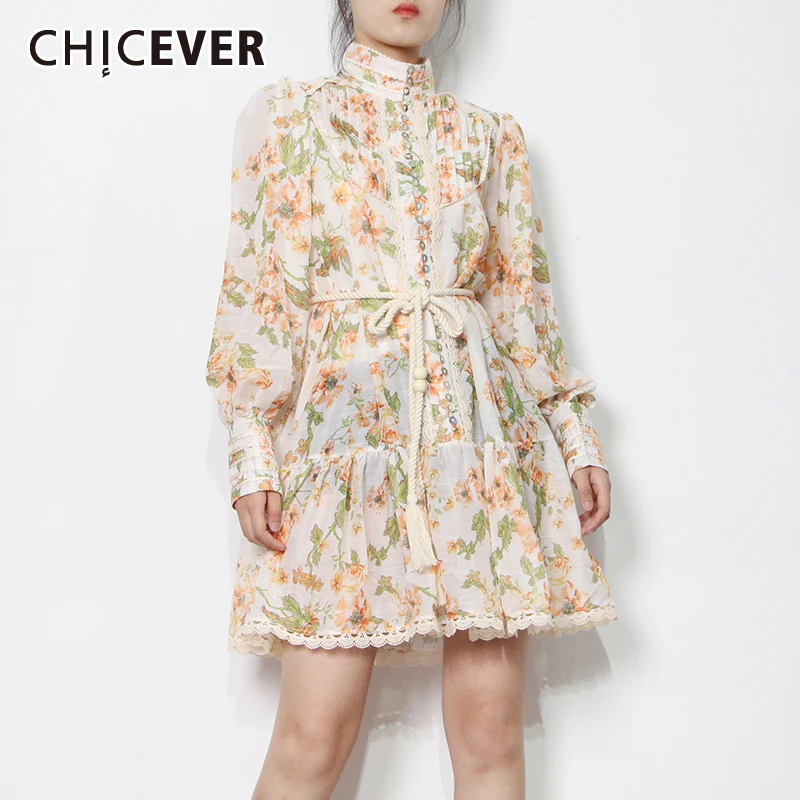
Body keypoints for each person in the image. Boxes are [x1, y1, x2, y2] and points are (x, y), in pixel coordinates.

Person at [205, 0, 618, 796]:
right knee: (311, 737)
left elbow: (520, 304)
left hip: (479, 450)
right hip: (342, 450)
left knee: (491, 734)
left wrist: (574, 436)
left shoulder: (489, 135)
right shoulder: (289, 115)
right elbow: (257, 291)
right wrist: (253, 449)